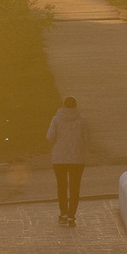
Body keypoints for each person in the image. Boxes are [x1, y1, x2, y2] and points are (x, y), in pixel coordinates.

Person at [47, 97, 88, 226]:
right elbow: (86, 138)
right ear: (75, 106)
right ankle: (72, 216)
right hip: (77, 158)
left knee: (62, 186)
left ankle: (63, 213)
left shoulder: (56, 119)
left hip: (59, 158)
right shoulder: (82, 120)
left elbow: (49, 137)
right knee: (75, 187)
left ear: (64, 106)